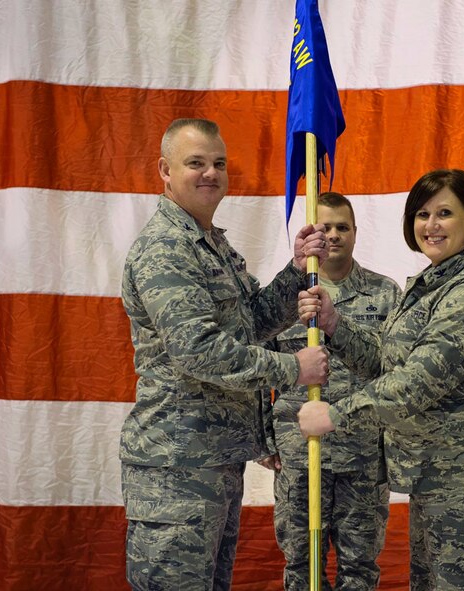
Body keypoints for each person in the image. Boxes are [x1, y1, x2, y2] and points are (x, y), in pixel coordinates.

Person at [297, 169, 464, 590]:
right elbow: (388, 362)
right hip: (439, 480)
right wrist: (336, 324)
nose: (431, 225)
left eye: (444, 213)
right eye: (422, 214)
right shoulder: (433, 284)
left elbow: (418, 382)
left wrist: (334, 414)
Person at [119, 118, 330, 591]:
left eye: (218, 163)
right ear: (165, 170)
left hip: (213, 460)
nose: (210, 173)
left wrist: (296, 272)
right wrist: (292, 368)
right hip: (176, 469)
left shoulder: (210, 244)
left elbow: (250, 322)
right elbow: (200, 351)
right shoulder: (166, 250)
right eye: (196, 163)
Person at [268, 192, 401, 590]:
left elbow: (394, 372)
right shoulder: (284, 296)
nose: (333, 235)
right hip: (299, 452)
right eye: (324, 227)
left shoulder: (385, 294)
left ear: (357, 233)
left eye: (343, 226)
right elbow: (262, 373)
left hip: (363, 455)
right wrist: (263, 439)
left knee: (359, 566)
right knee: (300, 565)